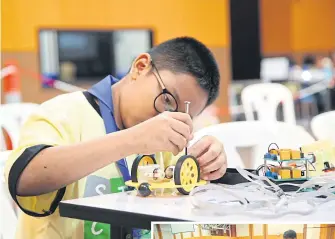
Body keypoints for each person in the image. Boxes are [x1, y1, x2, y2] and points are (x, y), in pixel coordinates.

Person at [4, 36, 227, 239]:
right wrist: (133, 139)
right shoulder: (62, 113)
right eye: (167, 99)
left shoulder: (166, 143)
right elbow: (23, 179)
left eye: (182, 116)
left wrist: (206, 165)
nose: (167, 117)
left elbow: (178, 210)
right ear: (140, 67)